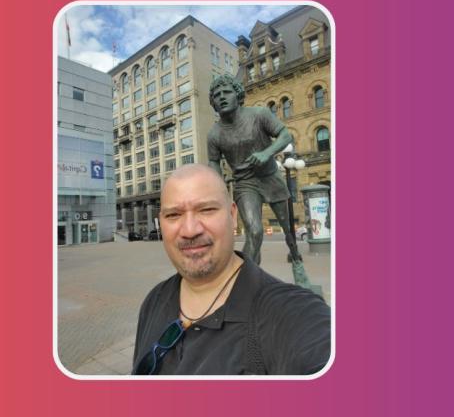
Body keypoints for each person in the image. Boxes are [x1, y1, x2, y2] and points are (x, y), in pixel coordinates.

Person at [132, 164, 330, 375]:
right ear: (161, 222)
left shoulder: (289, 314)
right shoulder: (153, 301)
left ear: (233, 215)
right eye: (173, 215)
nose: (190, 230)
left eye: (206, 210)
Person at [205, 75, 308, 285]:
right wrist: (217, 189)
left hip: (270, 177)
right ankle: (244, 282)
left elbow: (285, 136)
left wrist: (266, 153)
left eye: (227, 93)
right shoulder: (214, 134)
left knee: (288, 230)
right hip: (245, 183)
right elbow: (214, 162)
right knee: (254, 231)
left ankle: (296, 259)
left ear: (238, 95)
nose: (221, 98)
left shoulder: (259, 114)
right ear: (213, 103)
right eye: (216, 96)